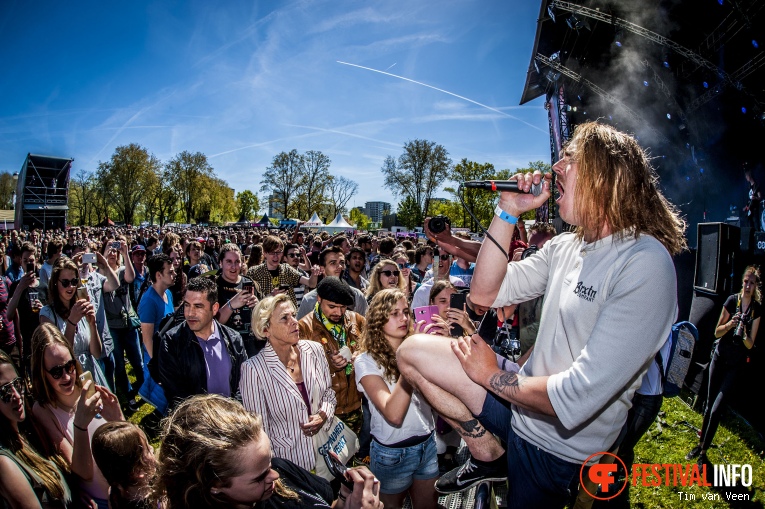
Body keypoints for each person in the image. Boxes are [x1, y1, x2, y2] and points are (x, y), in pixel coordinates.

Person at [397, 121, 686, 508]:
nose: (556, 167)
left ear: (607, 174)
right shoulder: (567, 246)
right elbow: (485, 292)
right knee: (412, 351)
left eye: (570, 158)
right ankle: (488, 454)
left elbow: (577, 397)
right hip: (521, 411)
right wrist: (508, 210)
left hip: (566, 455)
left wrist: (490, 375)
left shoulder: (644, 262)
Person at [155, 393, 382, 509]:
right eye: (259, 476)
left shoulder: (279, 469)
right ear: (214, 486)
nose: (274, 475)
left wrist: (344, 498)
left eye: (269, 462)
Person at [354, 289, 438, 509]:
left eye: (405, 312)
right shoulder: (365, 362)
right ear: (378, 320)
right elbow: (393, 414)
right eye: (394, 313)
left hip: (427, 443)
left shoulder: (416, 348)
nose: (403, 318)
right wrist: (412, 361)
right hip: (392, 454)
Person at [31, 323, 124, 509]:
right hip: (100, 501)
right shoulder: (43, 410)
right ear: (42, 373)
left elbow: (126, 443)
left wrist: (119, 418)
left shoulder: (88, 387)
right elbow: (84, 472)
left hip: (125, 490)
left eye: (69, 366)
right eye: (57, 371)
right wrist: (80, 425)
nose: (66, 377)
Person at [240, 294, 336, 472]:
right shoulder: (253, 370)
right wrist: (276, 472)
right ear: (265, 329)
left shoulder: (314, 350)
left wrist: (323, 414)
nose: (294, 322)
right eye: (285, 318)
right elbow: (260, 431)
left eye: (293, 315)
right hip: (290, 467)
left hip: (327, 455)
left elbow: (329, 394)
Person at [687, 266, 761, 466]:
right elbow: (717, 333)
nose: (747, 285)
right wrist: (730, 325)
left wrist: (744, 331)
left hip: (735, 365)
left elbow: (750, 344)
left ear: (756, 286)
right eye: (746, 281)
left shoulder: (756, 310)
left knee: (717, 409)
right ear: (742, 282)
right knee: (709, 403)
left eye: (751, 283)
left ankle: (703, 451)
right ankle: (700, 445)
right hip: (719, 357)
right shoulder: (731, 300)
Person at [298, 277, 369, 462]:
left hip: (355, 407)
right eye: (332, 307)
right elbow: (298, 370)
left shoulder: (356, 320)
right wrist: (330, 365)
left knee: (351, 457)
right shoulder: (304, 327)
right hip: (325, 413)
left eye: (343, 307)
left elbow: (371, 346)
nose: (339, 312)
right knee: (327, 464)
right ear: (318, 299)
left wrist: (358, 356)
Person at [157, 277, 248, 410]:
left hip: (232, 422)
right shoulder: (171, 342)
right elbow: (177, 397)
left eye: (198, 306)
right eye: (187, 305)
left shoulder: (234, 339)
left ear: (215, 308)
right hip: (196, 425)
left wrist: (233, 416)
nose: (190, 313)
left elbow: (244, 384)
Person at [0, 350, 71, 508]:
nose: (17, 396)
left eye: (17, 384)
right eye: (5, 391)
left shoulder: (27, 431)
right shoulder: (4, 464)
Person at [40, 258, 104, 380]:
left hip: (90, 373)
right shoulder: (47, 314)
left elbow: (97, 353)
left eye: (74, 281)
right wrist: (71, 322)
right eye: (65, 282)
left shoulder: (80, 306)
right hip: (68, 377)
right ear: (55, 282)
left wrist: (92, 324)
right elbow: (58, 356)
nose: (71, 287)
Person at [101, 239, 144, 412]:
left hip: (128, 324)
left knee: (137, 361)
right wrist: (102, 260)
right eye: (109, 249)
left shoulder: (121, 271)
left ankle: (144, 388)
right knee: (119, 364)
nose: (113, 252)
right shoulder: (99, 275)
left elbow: (131, 277)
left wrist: (126, 252)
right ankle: (128, 394)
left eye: (115, 250)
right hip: (112, 326)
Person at [92, 421, 158, 509]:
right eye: (148, 450)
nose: (152, 448)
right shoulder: (160, 502)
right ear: (138, 471)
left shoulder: (115, 491)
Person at [247, 236, 320, 309]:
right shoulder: (254, 272)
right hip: (265, 317)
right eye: (272, 252)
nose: (276, 256)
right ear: (265, 253)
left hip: (288, 315)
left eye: (278, 252)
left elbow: (311, 284)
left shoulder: (287, 269)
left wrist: (314, 274)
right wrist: (270, 296)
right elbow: (249, 301)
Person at [214, 244, 260, 356]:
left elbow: (263, 317)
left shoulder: (250, 283)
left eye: (237, 262)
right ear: (221, 263)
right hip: (225, 346)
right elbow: (212, 323)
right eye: (229, 262)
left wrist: (258, 306)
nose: (234, 267)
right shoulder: (214, 286)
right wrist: (231, 305)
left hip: (251, 345)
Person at [298, 247, 368, 320]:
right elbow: (301, 328)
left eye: (342, 262)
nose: (340, 266)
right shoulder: (309, 300)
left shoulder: (357, 296)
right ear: (322, 269)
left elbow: (366, 326)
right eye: (333, 263)